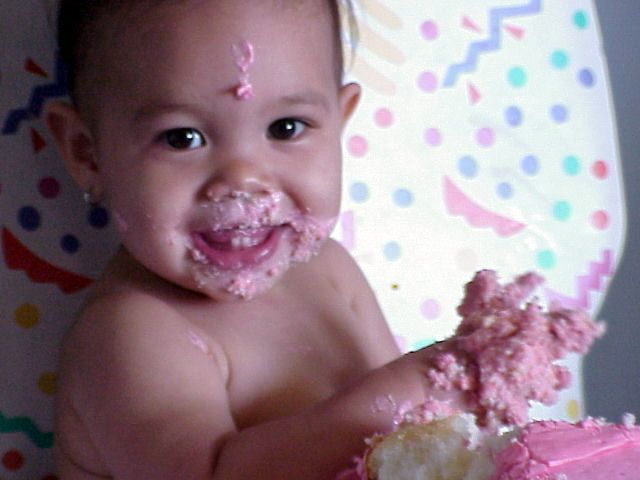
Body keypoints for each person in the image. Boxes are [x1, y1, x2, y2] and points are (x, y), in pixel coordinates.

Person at [44, 1, 467, 478]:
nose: (243, 178)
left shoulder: (330, 269)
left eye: (286, 128)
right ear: (87, 154)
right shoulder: (132, 330)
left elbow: (415, 445)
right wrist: (416, 386)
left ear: (339, 121)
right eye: (182, 138)